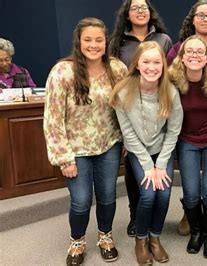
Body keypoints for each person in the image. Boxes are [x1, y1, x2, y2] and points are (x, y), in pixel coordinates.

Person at [43, 17, 128, 266]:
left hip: (108, 146)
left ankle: (105, 237)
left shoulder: (117, 69)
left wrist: (126, 141)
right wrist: (63, 157)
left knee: (107, 196)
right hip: (75, 150)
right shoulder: (62, 72)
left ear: (106, 41)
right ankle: (77, 242)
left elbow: (126, 108)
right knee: (80, 201)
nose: (94, 45)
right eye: (88, 39)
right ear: (79, 42)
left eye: (99, 40)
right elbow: (53, 118)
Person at [110, 41, 183, 264]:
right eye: (146, 62)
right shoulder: (123, 92)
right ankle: (141, 240)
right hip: (137, 151)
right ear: (137, 65)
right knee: (149, 194)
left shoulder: (170, 91)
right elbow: (128, 134)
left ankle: (155, 238)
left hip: (162, 151)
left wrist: (160, 165)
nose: (152, 67)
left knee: (164, 192)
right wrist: (148, 166)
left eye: (157, 62)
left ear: (163, 64)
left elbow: (173, 131)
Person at [167, 0, 207, 237]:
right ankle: (190, 213)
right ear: (192, 19)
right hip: (186, 131)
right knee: (192, 185)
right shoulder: (176, 49)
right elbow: (167, 83)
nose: (206, 20)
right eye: (201, 15)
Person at [109, 0, 173, 238]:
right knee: (133, 171)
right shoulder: (117, 42)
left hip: (156, 108)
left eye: (143, 7)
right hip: (127, 110)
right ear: (127, 14)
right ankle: (136, 216)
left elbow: (167, 75)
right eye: (134, 8)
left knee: (156, 182)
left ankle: (151, 221)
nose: (139, 11)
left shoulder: (163, 40)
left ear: (150, 12)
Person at [168, 35, 207, 259]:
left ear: (206, 58)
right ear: (181, 57)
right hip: (187, 140)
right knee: (191, 193)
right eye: (189, 51)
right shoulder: (172, 79)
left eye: (199, 52)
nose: (194, 55)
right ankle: (196, 232)